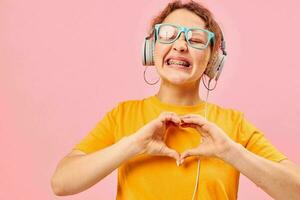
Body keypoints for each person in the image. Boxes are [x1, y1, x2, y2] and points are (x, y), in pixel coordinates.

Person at [50, 1, 300, 199]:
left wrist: (231, 152)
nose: (180, 45)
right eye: (168, 35)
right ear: (151, 49)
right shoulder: (123, 115)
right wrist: (134, 144)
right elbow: (61, 183)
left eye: (196, 39)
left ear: (213, 60)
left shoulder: (233, 123)